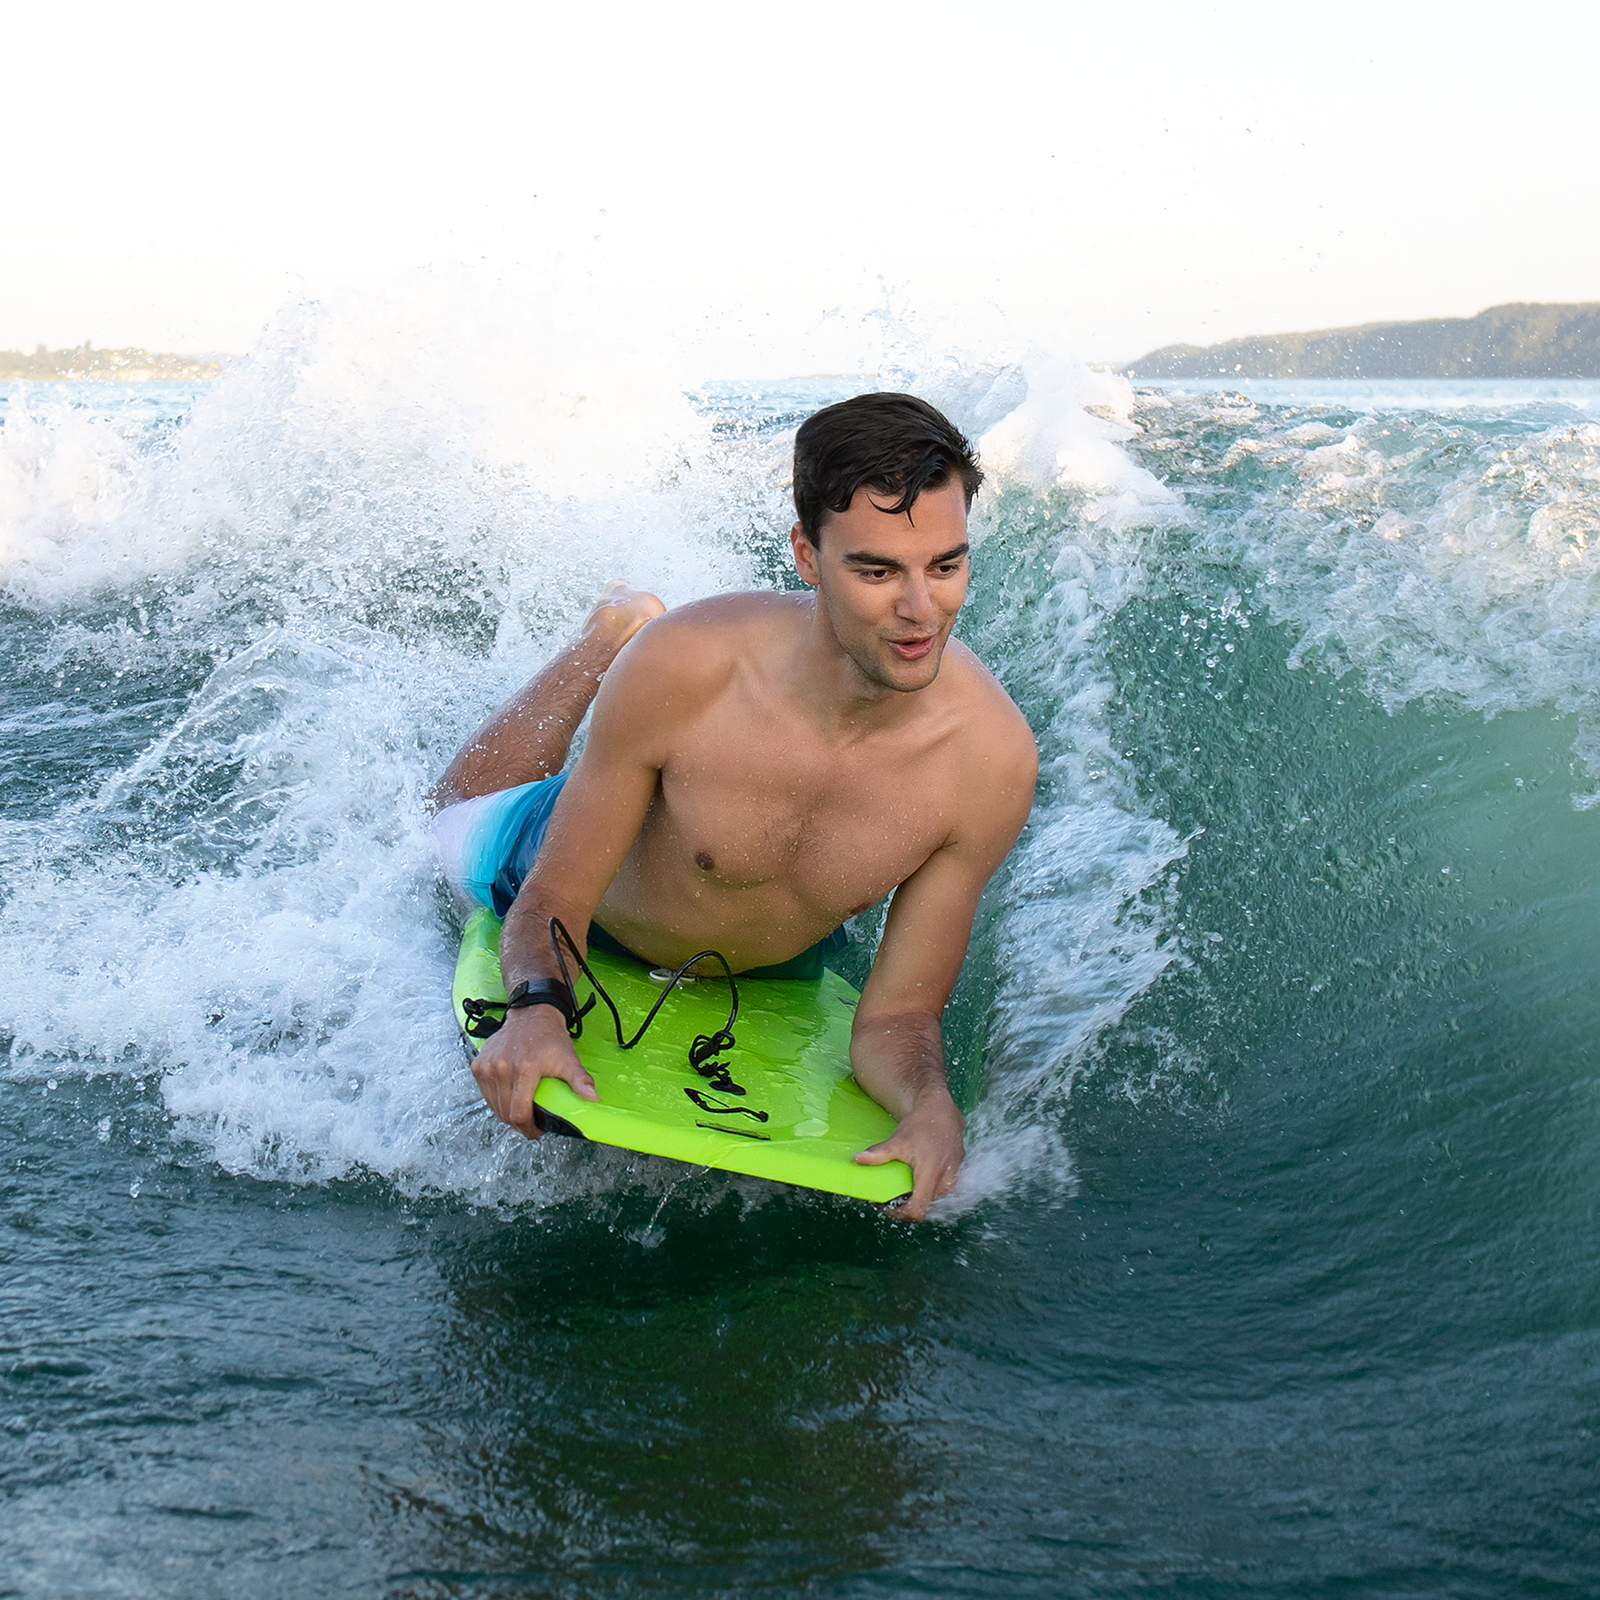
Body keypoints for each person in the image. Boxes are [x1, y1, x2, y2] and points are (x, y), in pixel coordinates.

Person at [431, 392, 1038, 1218]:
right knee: (440, 818)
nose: (919, 611)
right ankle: (607, 634)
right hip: (564, 878)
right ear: (806, 555)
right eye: (876, 571)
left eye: (945, 566)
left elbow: (896, 1015)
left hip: (771, 965)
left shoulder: (989, 762)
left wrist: (930, 1105)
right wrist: (536, 1006)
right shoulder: (689, 667)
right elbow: (552, 900)